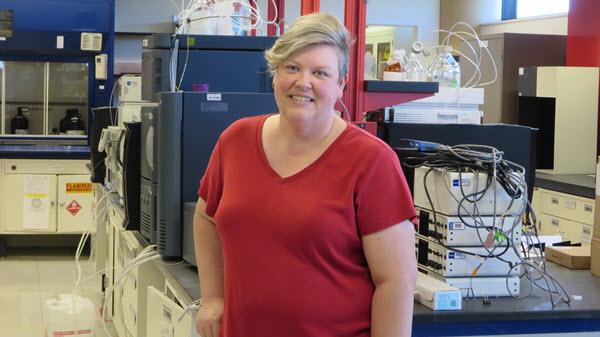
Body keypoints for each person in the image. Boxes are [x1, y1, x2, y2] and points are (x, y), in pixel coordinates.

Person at [193, 12, 417, 337]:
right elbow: (206, 218)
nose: (303, 82)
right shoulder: (235, 140)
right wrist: (213, 298)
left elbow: (396, 282)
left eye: (320, 72)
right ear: (274, 74)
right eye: (292, 67)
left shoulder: (371, 162)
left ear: (341, 84)